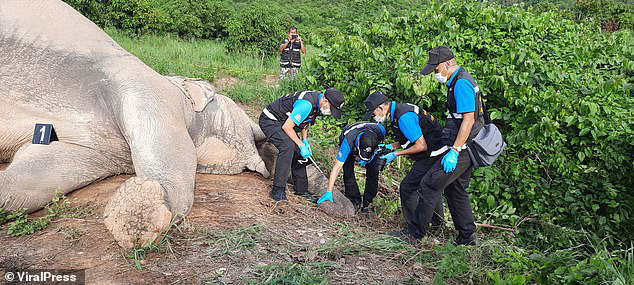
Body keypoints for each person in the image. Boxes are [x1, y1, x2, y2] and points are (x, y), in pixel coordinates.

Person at [415, 46, 485, 246]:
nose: (435, 74)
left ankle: (415, 234)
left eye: (436, 70)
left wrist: (454, 150)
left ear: (447, 64)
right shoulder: (458, 81)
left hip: (463, 147)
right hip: (464, 146)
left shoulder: (461, 83)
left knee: (429, 184)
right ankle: (467, 237)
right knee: (455, 189)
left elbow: (468, 120)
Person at [362, 91, 446, 242]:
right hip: (435, 149)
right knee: (431, 186)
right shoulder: (399, 110)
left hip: (433, 153)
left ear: (381, 108)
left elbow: (421, 145)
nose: (374, 116)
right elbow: (412, 136)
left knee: (408, 187)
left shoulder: (403, 117)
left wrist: (396, 155)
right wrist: (392, 146)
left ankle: (414, 231)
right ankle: (437, 225)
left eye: (373, 112)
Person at [259, 88, 345, 202]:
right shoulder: (306, 104)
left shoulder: (318, 104)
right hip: (270, 120)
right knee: (288, 146)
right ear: (325, 99)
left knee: (299, 153)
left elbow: (305, 122)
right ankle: (278, 190)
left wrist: (304, 141)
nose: (330, 111)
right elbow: (287, 127)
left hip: (285, 122)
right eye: (331, 108)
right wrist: (300, 144)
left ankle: (302, 190)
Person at [316, 121, 386, 213]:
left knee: (373, 171)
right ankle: (354, 200)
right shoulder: (347, 142)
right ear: (358, 141)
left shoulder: (380, 131)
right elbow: (336, 168)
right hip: (349, 137)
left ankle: (368, 204)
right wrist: (329, 191)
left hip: (370, 143)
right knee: (348, 170)